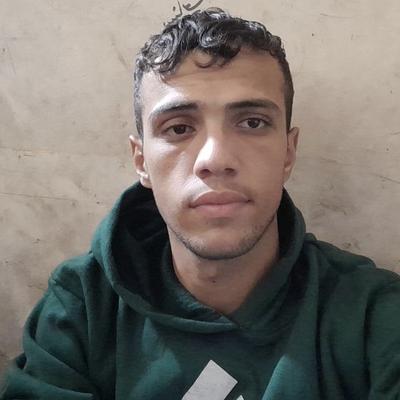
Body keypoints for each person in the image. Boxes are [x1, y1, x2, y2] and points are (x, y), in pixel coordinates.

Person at [1, 7, 400, 400]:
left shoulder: (374, 316)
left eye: (252, 123)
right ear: (141, 161)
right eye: (178, 128)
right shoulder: (82, 308)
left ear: (288, 153)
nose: (215, 159)